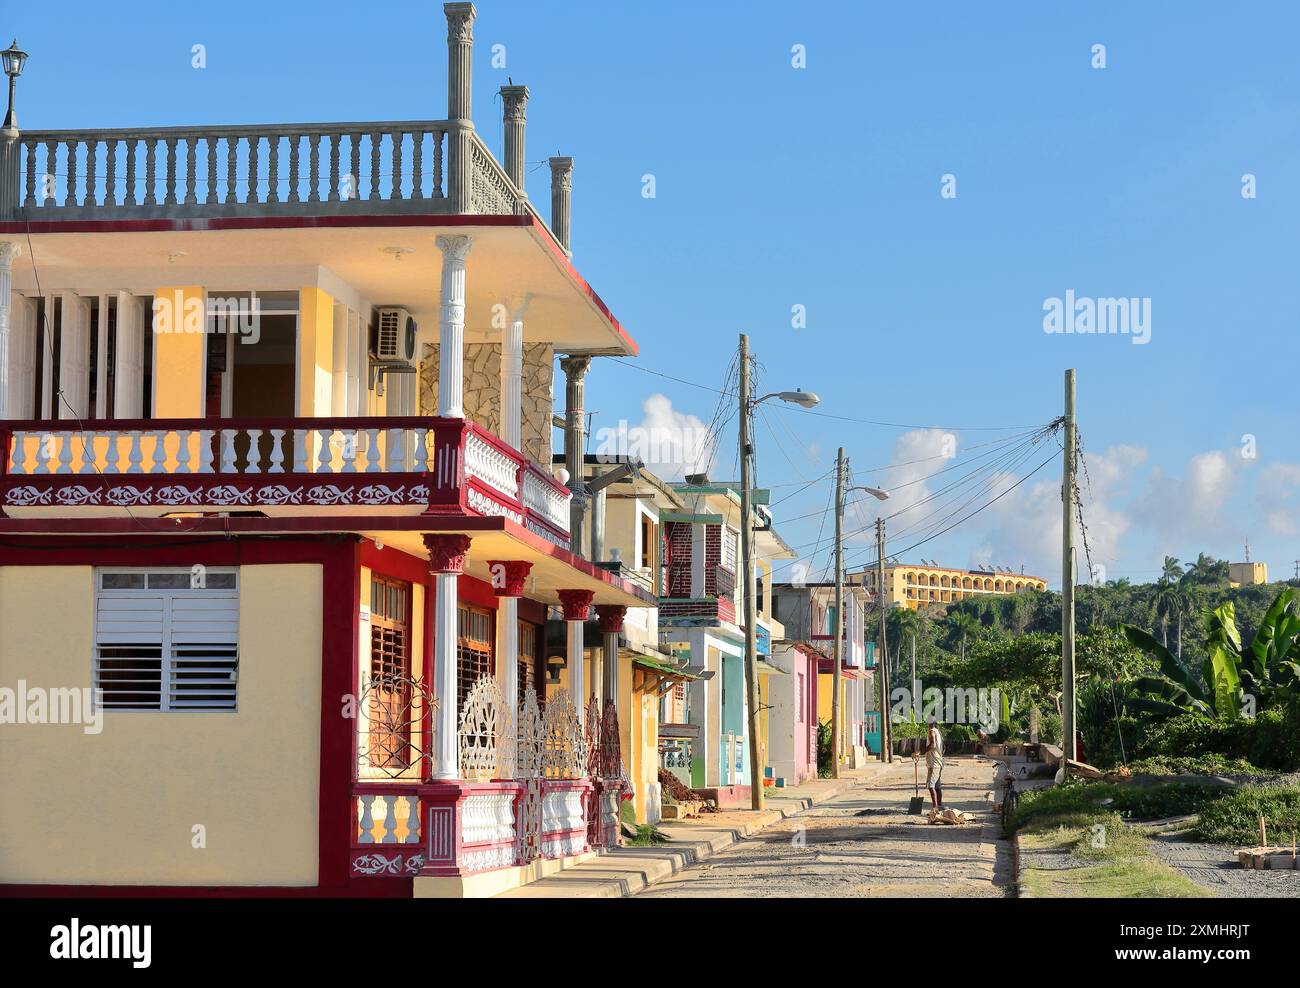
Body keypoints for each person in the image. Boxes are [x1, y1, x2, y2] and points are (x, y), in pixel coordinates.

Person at [912, 718, 944, 810]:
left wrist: (919, 752)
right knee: (937, 787)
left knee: (930, 785)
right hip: (939, 762)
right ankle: (940, 807)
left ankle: (935, 809)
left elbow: (933, 745)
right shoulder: (938, 732)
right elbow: (943, 747)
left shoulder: (931, 732)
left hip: (934, 764)